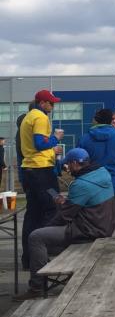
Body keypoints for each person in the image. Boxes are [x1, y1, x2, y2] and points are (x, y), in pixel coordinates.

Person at [13, 148, 115, 300]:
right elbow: (84, 204)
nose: (66, 169)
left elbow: (65, 216)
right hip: (104, 227)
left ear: (75, 163)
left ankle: (37, 287)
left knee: (36, 237)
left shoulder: (80, 184)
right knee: (46, 237)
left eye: (67, 165)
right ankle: (51, 273)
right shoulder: (102, 173)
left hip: (88, 231)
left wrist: (60, 205)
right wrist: (67, 203)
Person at [19, 89, 63, 269]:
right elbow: (40, 144)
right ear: (42, 103)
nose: (52, 106)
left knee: (32, 214)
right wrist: (55, 139)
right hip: (41, 171)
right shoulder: (40, 118)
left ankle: (29, 259)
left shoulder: (28, 117)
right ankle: (44, 253)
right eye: (50, 103)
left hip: (30, 169)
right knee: (53, 206)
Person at [79, 108, 115, 237]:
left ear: (96, 120)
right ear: (110, 120)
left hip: (93, 186)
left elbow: (79, 162)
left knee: (94, 221)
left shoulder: (85, 139)